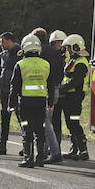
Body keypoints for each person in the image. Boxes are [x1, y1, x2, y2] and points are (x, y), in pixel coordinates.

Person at [10, 35, 52, 168]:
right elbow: (50, 85)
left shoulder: (20, 65)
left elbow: (14, 86)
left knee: (27, 130)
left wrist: (12, 104)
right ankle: (40, 159)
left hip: (26, 103)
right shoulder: (46, 64)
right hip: (41, 102)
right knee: (40, 130)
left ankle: (28, 159)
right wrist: (50, 102)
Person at [33, 28, 64, 164]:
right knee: (47, 120)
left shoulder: (40, 52)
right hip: (55, 88)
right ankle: (44, 151)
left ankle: (55, 152)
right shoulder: (55, 52)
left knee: (45, 122)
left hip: (44, 89)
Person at [60, 33, 91, 160]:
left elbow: (75, 81)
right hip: (69, 96)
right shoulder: (74, 60)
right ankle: (74, 149)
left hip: (75, 97)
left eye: (69, 48)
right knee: (70, 123)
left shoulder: (81, 63)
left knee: (74, 122)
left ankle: (83, 151)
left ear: (75, 47)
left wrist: (61, 88)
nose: (67, 50)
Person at [0, 32, 21, 156]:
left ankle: (27, 145)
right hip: (5, 90)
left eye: (2, 42)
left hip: (14, 91)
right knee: (4, 118)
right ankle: (2, 145)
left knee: (21, 117)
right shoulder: (6, 54)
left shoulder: (18, 52)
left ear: (9, 41)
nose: (0, 45)